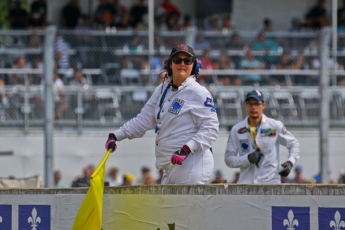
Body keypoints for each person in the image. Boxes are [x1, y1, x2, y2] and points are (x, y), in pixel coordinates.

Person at [105, 44, 219, 184]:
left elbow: (211, 128)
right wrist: (116, 135)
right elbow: (144, 120)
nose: (182, 64)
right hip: (169, 166)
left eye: (187, 61)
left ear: (193, 65)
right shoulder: (161, 89)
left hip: (192, 163)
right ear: (170, 64)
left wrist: (187, 148)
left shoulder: (198, 92)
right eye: (177, 60)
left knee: (184, 206)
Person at [224, 90, 300, 184]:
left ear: (263, 105)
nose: (253, 107)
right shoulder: (237, 129)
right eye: (250, 104)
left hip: (270, 185)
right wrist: (247, 159)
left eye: (257, 103)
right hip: (246, 186)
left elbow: (293, 143)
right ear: (245, 105)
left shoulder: (274, 126)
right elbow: (228, 159)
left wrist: (290, 162)